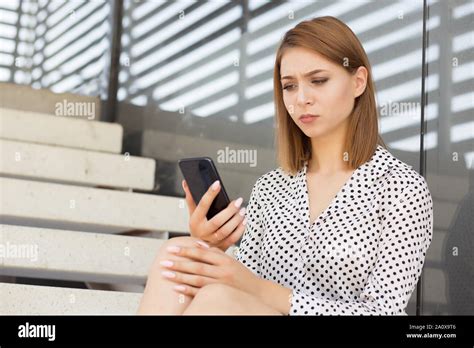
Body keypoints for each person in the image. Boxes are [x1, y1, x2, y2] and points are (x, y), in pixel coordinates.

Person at [137, 16, 433, 315]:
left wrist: (258, 289)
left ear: (358, 82)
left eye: (318, 80)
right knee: (178, 254)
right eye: (289, 86)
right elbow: (242, 285)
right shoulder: (271, 187)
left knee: (216, 299)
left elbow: (383, 312)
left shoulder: (401, 187)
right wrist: (211, 247)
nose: (301, 99)